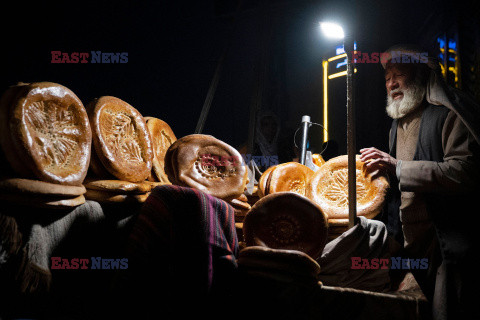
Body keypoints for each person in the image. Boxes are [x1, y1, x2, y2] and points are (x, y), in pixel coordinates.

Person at [360, 44, 480, 320]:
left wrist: (397, 166)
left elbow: (466, 172)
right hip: (409, 244)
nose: (391, 83)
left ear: (422, 75)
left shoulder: (448, 115)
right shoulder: (397, 124)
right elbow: (400, 176)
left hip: (444, 241)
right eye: (387, 77)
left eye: (399, 74)